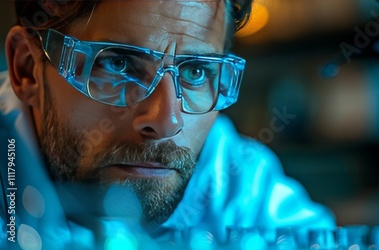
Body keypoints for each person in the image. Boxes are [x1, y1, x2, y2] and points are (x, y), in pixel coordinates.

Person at [0, 0, 335, 248]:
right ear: (27, 68)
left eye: (195, 72)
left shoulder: (233, 180)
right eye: (118, 65)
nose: (166, 121)